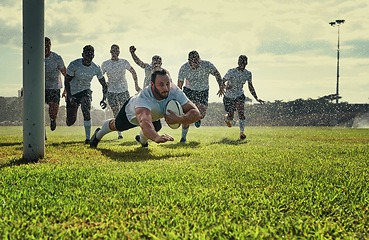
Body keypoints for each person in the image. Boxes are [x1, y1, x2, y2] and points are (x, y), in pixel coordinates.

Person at [90, 69, 201, 148]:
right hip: (131, 113)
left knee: (155, 127)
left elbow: (196, 113)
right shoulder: (144, 98)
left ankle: (142, 141)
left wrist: (179, 119)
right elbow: (144, 122)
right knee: (117, 126)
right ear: (152, 85)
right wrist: (156, 138)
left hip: (153, 116)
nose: (166, 88)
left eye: (168, 83)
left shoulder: (175, 91)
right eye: (161, 84)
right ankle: (98, 135)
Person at [177, 50, 225, 143]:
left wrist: (221, 85)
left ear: (199, 59)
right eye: (192, 62)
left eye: (196, 61)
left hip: (203, 91)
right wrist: (177, 98)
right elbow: (179, 85)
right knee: (186, 115)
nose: (194, 64)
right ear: (189, 61)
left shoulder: (207, 65)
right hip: (189, 90)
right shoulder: (184, 68)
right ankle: (183, 138)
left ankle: (197, 118)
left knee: (201, 114)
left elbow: (216, 73)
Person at [64, 45, 108, 144]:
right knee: (70, 122)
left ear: (93, 56)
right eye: (86, 56)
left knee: (86, 108)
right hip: (73, 92)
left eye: (90, 57)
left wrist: (104, 98)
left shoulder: (96, 68)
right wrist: (70, 96)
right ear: (82, 55)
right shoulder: (74, 64)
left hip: (85, 91)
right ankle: (69, 118)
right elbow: (67, 81)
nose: (88, 59)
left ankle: (88, 139)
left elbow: (104, 85)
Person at [101, 44, 141, 139]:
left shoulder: (124, 62)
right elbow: (100, 77)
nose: (115, 52)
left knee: (129, 109)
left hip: (123, 90)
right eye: (113, 50)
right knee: (115, 111)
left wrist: (136, 85)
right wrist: (104, 83)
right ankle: (119, 133)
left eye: (117, 50)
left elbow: (133, 71)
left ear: (119, 52)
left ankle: (140, 126)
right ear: (110, 52)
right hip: (111, 91)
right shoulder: (105, 64)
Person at [223, 55, 265, 140]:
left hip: (239, 95)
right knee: (231, 116)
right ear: (238, 62)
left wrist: (256, 98)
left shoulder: (248, 74)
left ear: (246, 63)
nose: (241, 63)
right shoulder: (231, 71)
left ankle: (242, 132)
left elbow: (250, 87)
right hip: (229, 96)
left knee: (241, 113)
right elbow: (222, 81)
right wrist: (225, 87)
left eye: (243, 62)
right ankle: (226, 118)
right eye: (240, 62)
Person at [44, 37, 67, 132]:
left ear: (50, 46)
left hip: (54, 87)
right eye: (44, 46)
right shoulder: (36, 57)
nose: (46, 48)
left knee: (53, 112)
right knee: (38, 110)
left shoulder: (57, 58)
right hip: (40, 88)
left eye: (47, 46)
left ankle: (53, 119)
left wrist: (66, 89)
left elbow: (66, 74)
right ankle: (41, 132)